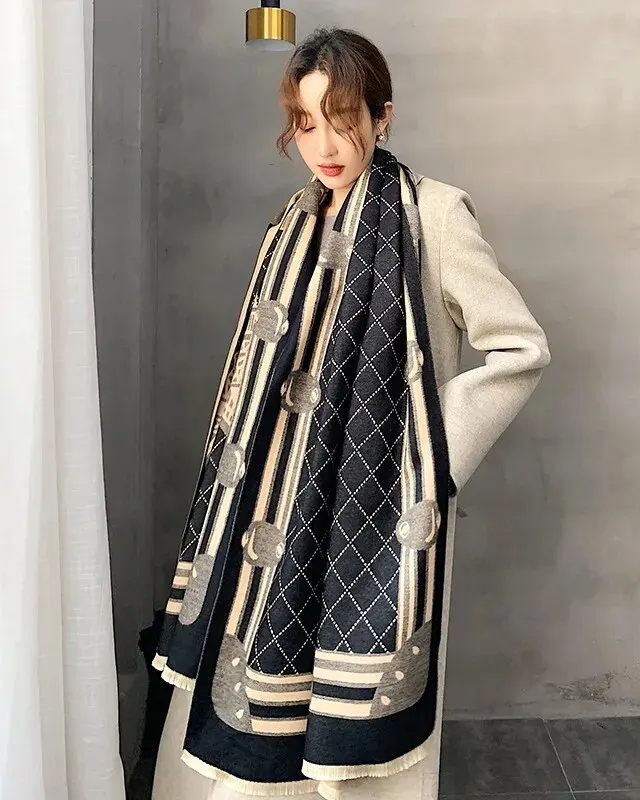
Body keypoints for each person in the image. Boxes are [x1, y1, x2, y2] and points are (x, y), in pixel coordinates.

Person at [151, 27, 550, 800]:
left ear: (382, 116)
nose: (326, 146)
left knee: (354, 734)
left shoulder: (434, 215)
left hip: (380, 507)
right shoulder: (293, 223)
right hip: (271, 506)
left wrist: (428, 458)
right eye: (307, 124)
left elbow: (520, 347)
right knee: (256, 709)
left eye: (342, 119)